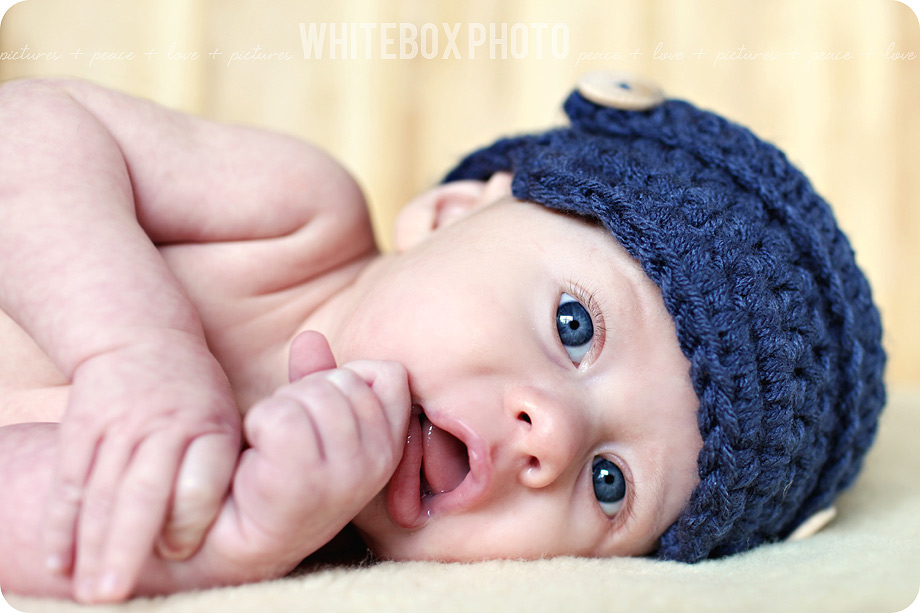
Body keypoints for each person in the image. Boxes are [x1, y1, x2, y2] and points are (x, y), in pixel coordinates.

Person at [0, 71, 886, 604]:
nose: (556, 436)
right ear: (451, 213)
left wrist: (225, 542)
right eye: (573, 326)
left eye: (610, 484)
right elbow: (30, 128)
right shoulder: (294, 219)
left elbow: (50, 526)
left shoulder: (299, 541)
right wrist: (137, 346)